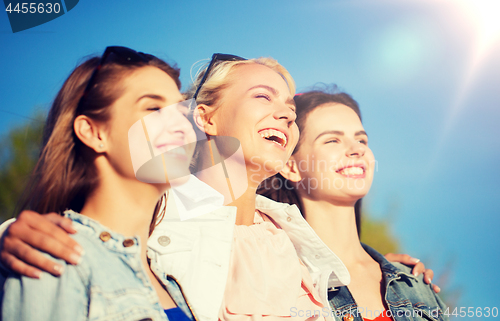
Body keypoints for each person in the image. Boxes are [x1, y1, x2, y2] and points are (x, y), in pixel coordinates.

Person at [0, 54, 436, 321]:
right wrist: (7, 236)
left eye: (289, 107)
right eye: (265, 98)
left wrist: (380, 268)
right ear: (205, 118)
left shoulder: (293, 236)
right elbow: (102, 240)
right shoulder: (167, 206)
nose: (286, 115)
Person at [1, 46, 198, 321]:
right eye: (153, 108)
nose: (182, 126)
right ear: (93, 132)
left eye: (182, 112)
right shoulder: (55, 257)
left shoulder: (170, 280)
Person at [258, 88, 448, 321]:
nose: (357, 149)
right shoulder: (274, 276)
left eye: (361, 139)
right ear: (291, 167)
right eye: (332, 140)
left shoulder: (414, 283)